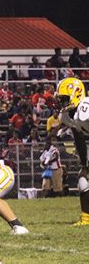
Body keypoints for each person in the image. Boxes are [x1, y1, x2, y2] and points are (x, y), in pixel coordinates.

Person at [55, 78, 89, 224]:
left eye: (64, 99)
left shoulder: (85, 108)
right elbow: (79, 138)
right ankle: (86, 218)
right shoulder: (67, 116)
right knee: (83, 179)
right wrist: (84, 164)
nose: (61, 103)